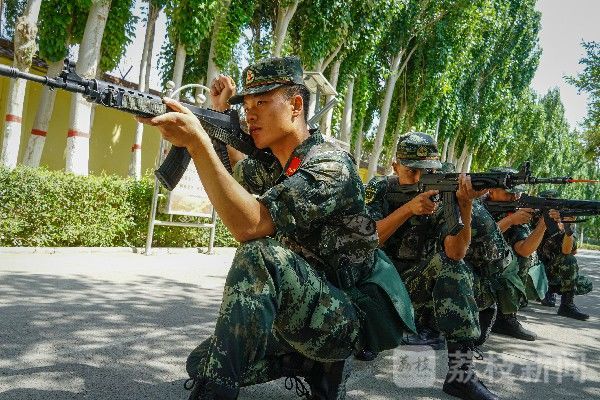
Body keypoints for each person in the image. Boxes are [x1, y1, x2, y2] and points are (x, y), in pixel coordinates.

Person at [138, 56, 415, 400]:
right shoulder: (279, 164)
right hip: (303, 303)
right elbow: (235, 174)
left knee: (259, 255)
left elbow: (250, 225)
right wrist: (218, 117)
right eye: (246, 106)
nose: (250, 114)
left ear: (296, 105)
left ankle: (236, 389)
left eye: (262, 103)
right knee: (204, 363)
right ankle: (308, 364)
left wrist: (197, 142)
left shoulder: (331, 166)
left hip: (347, 314)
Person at [364, 133, 498, 400]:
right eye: (412, 171)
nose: (419, 179)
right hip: (377, 287)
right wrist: (408, 209)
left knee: (453, 267)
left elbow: (455, 253)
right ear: (395, 167)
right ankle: (368, 331)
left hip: (414, 287)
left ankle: (461, 375)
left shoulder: (440, 196)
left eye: (426, 172)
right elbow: (367, 239)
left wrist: (465, 205)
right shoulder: (379, 189)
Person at [483, 170, 556, 341]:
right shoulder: (474, 205)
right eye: (509, 193)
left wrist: (543, 225)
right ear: (491, 190)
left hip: (490, 266)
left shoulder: (513, 211)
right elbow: (474, 240)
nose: (514, 197)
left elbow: (524, 250)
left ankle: (506, 317)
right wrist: (509, 221)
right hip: (470, 262)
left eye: (517, 193)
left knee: (520, 259)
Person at [537, 190, 592, 320]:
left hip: (552, 270)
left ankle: (566, 304)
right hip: (533, 271)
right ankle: (540, 290)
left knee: (583, 281)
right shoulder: (531, 219)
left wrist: (567, 229)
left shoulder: (562, 221)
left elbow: (568, 252)